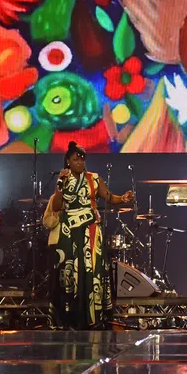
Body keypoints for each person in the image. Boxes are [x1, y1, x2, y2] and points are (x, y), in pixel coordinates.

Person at [48, 141, 134, 329]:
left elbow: (110, 197)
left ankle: (93, 316)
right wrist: (59, 184)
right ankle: (69, 316)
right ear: (68, 162)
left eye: (82, 159)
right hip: (69, 231)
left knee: (92, 270)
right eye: (75, 159)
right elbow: (56, 207)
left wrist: (123, 198)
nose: (79, 162)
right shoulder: (63, 180)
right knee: (70, 271)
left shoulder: (94, 178)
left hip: (90, 230)